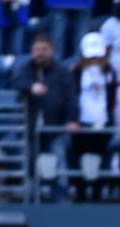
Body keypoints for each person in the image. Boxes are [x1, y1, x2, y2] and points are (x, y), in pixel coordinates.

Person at [12, 33, 79, 202]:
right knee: (30, 165)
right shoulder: (26, 69)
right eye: (36, 50)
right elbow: (16, 82)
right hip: (32, 128)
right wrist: (31, 86)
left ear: (52, 50)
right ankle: (32, 197)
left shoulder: (62, 72)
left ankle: (61, 197)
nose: (40, 53)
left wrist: (72, 119)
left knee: (59, 163)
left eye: (44, 49)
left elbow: (71, 97)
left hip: (56, 128)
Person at [68, 31, 118, 202]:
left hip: (102, 123)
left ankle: (98, 195)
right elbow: (72, 97)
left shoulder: (110, 73)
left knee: (100, 160)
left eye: (98, 56)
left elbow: (111, 98)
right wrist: (74, 119)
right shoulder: (75, 72)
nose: (94, 60)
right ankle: (80, 193)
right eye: (91, 56)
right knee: (80, 160)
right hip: (82, 123)